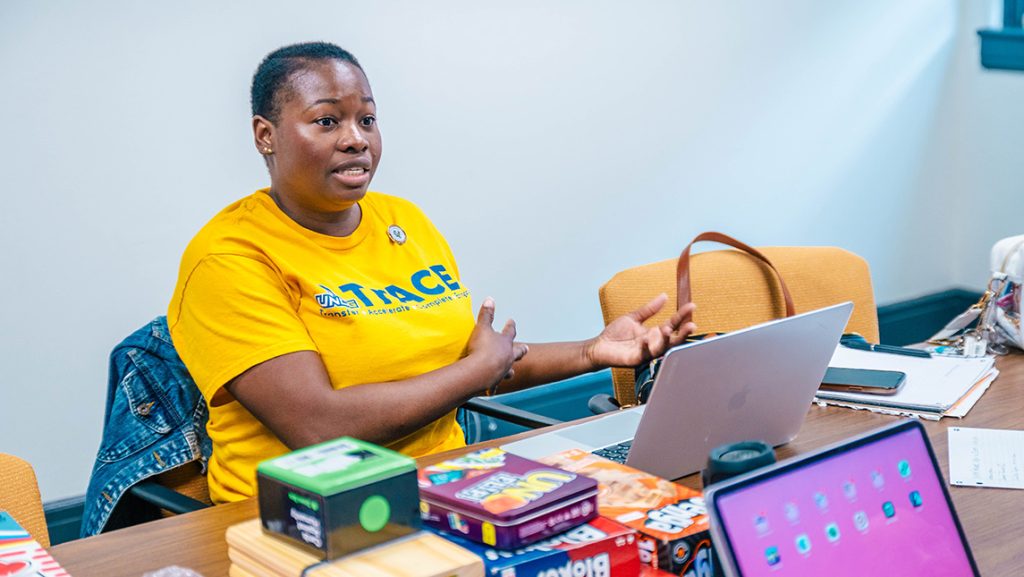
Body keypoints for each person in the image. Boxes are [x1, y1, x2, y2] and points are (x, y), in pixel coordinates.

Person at [168, 41, 696, 504]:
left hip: (452, 485)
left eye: (367, 120)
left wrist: (592, 352)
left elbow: (463, 365)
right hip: (306, 515)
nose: (356, 139)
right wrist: (478, 369)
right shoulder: (229, 258)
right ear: (265, 135)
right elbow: (319, 427)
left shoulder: (405, 222)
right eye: (327, 121)